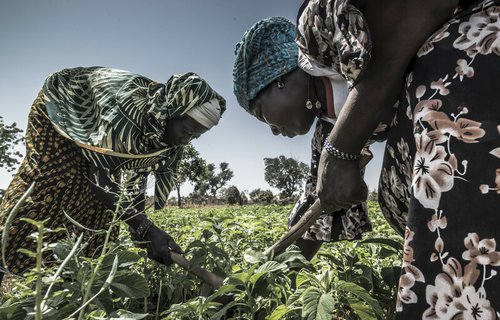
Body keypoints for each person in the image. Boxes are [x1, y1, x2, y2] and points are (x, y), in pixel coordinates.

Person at [234, 0, 500, 317]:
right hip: (456, 124)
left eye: (262, 114)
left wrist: (344, 146)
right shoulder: (328, 132)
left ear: (277, 79)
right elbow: (312, 219)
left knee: (431, 163)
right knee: (395, 193)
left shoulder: (316, 29)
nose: (273, 131)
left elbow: (417, 8)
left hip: (478, 59)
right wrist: (262, 282)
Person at [0, 66, 225, 283]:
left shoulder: (162, 130)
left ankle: (73, 283)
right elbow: (99, 179)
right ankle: (5, 254)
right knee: (59, 183)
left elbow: (138, 171)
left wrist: (141, 228)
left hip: (97, 140)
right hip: (60, 107)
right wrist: (145, 227)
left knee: (103, 212)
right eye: (185, 131)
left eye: (195, 136)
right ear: (172, 113)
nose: (186, 140)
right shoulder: (128, 110)